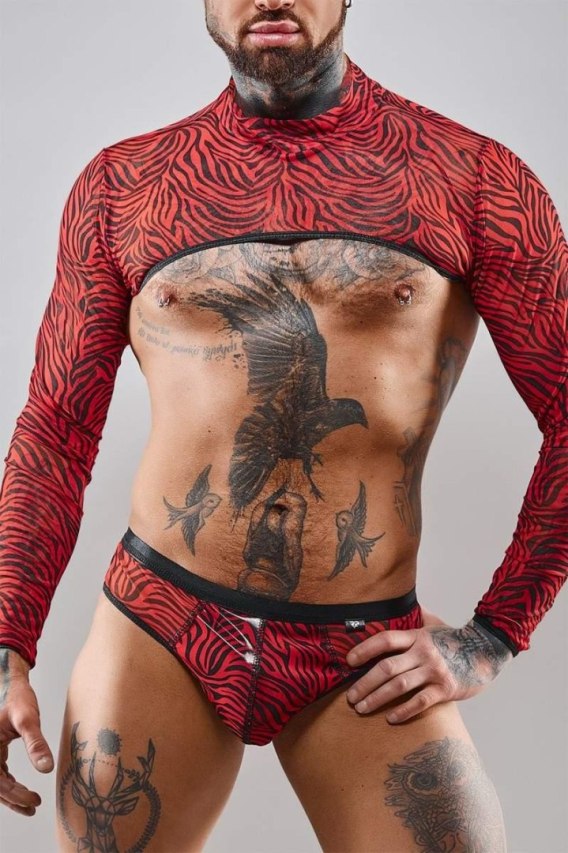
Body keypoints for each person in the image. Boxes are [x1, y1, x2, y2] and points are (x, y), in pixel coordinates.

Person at [0, 0, 566, 849]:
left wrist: (494, 634)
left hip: (362, 644)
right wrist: (6, 641)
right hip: (162, 619)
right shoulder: (124, 185)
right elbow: (56, 428)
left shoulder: (471, 177)